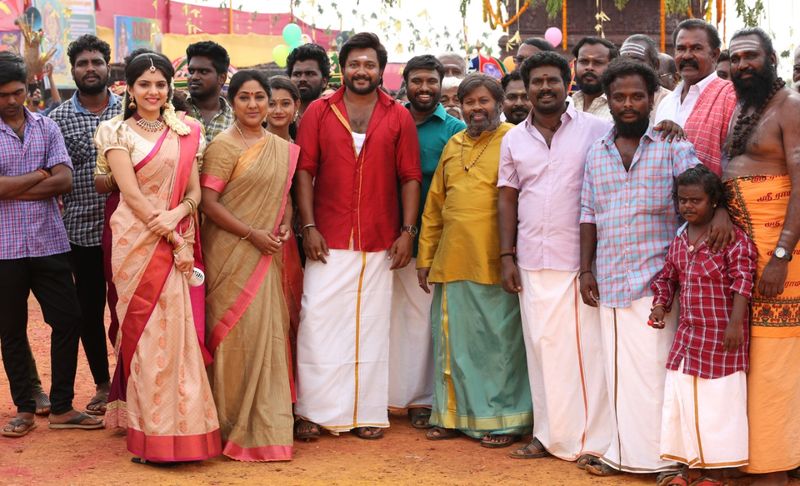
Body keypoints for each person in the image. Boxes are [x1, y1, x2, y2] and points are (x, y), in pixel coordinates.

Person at [578, 59, 732, 479]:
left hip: (662, 282)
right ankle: (623, 454)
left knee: (658, 373)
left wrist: (720, 213)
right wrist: (586, 269)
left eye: (637, 96)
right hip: (610, 278)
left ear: (651, 99)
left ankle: (665, 459)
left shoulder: (672, 145)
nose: (628, 104)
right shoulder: (597, 152)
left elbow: (702, 193)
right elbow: (588, 212)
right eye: (619, 97)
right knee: (619, 375)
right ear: (608, 101)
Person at [293, 32, 421, 441]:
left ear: (381, 70)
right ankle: (312, 410)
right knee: (317, 322)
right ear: (342, 69)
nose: (361, 71)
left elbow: (410, 177)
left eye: (369, 64)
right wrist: (309, 227)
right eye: (354, 64)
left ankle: (366, 412)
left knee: (370, 326)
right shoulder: (319, 111)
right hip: (326, 236)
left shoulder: (397, 115)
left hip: (380, 237)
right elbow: (304, 172)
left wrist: (408, 232)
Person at [95, 52, 220, 463]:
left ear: (170, 88)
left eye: (160, 84)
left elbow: (194, 192)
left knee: (179, 337)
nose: (153, 91)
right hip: (136, 242)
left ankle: (185, 432)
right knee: (146, 338)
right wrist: (171, 234)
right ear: (130, 90)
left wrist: (180, 215)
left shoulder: (188, 131)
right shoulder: (116, 132)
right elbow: (130, 195)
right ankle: (150, 436)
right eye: (145, 84)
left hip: (175, 235)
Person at [498, 51, 611, 463]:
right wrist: (506, 255)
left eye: (552, 80)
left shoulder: (598, 129)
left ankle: (592, 440)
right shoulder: (513, 138)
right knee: (541, 348)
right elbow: (507, 198)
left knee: (585, 354)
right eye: (537, 82)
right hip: (530, 259)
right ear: (527, 88)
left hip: (580, 261)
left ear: (568, 84)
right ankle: (547, 435)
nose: (545, 88)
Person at [417, 73, 532, 448]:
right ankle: (451, 416)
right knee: (454, 346)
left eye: (484, 101)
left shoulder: (515, 138)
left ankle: (503, 421)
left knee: (499, 347)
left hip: (498, 260)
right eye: (469, 102)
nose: (476, 108)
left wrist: (512, 254)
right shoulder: (453, 143)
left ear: (499, 104)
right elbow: (435, 205)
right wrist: (425, 256)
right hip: (452, 259)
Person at [0, 51, 103, 438]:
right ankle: (24, 409)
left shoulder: (47, 127)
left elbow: (65, 181)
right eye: (3, 95)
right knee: (11, 329)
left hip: (49, 242)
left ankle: (61, 406)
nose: (12, 100)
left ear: (28, 88)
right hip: (4, 248)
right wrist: (40, 174)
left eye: (17, 92)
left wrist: (14, 187)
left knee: (69, 319)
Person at [201, 70, 299, 462]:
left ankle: (266, 428)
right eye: (245, 97)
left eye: (261, 97)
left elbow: (284, 198)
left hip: (266, 252)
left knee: (266, 334)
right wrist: (250, 234)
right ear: (233, 101)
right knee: (232, 336)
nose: (255, 105)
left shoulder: (280, 147)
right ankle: (227, 425)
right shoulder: (223, 146)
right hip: (230, 251)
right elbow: (209, 203)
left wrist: (286, 222)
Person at [723, 28, 800, 486]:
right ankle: (758, 458)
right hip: (745, 252)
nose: (742, 65)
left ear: (771, 58)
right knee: (753, 355)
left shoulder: (791, 105)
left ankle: (774, 468)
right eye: (735, 58)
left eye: (750, 56)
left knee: (776, 357)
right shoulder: (744, 106)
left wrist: (782, 254)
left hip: (780, 254)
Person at [650, 165, 756, 485]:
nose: (687, 206)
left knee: (718, 405)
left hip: (721, 337)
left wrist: (736, 324)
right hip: (688, 338)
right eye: (682, 200)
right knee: (684, 402)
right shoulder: (680, 239)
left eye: (695, 200)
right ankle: (690, 468)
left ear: (713, 202)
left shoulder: (731, 238)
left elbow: (743, 281)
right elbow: (668, 277)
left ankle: (717, 472)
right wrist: (660, 305)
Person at [390, 55, 465, 430]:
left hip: (429, 240)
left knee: (422, 321)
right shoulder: (391, 119)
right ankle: (386, 396)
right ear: (405, 83)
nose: (424, 88)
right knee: (387, 318)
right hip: (383, 236)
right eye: (417, 81)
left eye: (431, 81)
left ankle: (421, 399)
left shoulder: (453, 129)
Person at [48, 34, 120, 417]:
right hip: (81, 232)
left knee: (129, 309)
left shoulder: (131, 110)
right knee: (89, 311)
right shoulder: (56, 120)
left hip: (128, 230)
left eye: (96, 62)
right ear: (72, 70)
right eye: (82, 64)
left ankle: (131, 383)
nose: (90, 69)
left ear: (108, 66)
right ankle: (103, 385)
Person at [655, 20, 736, 176]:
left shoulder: (731, 97)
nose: (686, 56)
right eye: (681, 49)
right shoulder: (666, 102)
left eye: (696, 48)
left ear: (714, 55)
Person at [185, 41, 233, 142]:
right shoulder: (173, 111)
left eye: (203, 72)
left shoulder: (234, 120)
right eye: (191, 71)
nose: (194, 77)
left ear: (222, 78)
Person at [619, 34, 672, 119]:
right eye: (623, 61)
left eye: (636, 61)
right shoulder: (606, 99)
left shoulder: (671, 101)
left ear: (655, 65)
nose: (628, 67)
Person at [571, 37, 619, 120]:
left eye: (598, 62)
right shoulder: (567, 105)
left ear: (612, 67)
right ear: (575, 65)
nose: (589, 68)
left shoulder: (618, 109)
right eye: (584, 61)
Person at [286, 43, 331, 121]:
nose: (302, 79)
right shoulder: (280, 121)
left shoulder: (336, 118)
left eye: (310, 74)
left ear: (324, 81)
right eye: (297, 74)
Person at [266, 75, 301, 142]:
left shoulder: (301, 144)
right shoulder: (250, 144)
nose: (278, 111)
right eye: (271, 104)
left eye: (285, 103)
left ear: (296, 105)